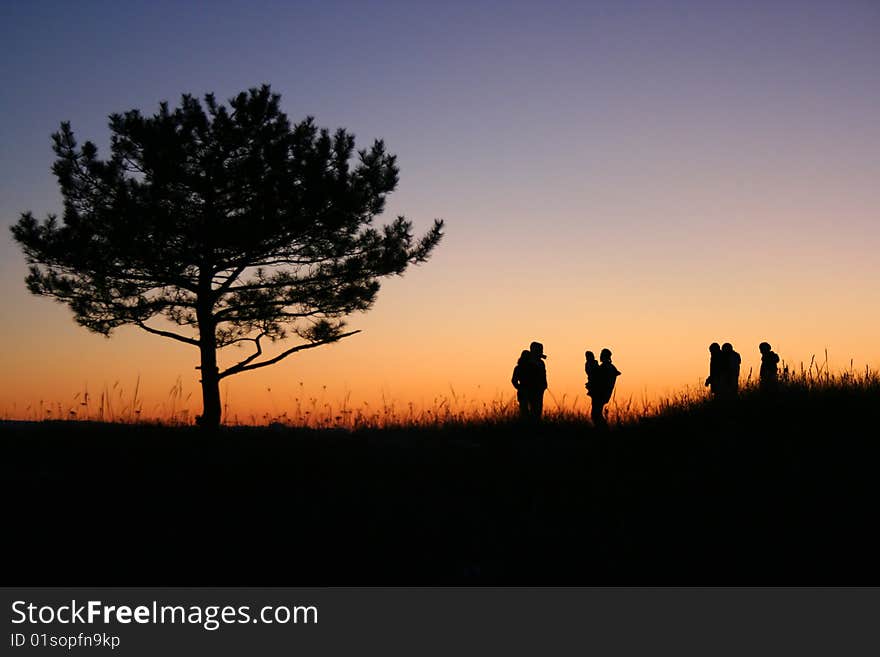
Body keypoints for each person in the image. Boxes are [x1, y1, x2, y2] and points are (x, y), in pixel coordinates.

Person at [591, 348, 621, 427]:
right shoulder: (608, 367)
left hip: (600, 394)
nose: (600, 356)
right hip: (601, 394)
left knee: (596, 414)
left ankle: (604, 431)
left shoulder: (606, 367)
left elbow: (600, 379)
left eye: (602, 355)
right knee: (596, 414)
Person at [524, 341, 548, 420]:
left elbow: (544, 375)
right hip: (529, 390)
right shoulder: (527, 362)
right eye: (539, 350)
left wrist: (544, 385)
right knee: (529, 410)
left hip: (539, 389)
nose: (541, 352)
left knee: (538, 410)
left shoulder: (541, 363)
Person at [511, 349, 535, 418]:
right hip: (527, 392)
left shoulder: (518, 368)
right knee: (528, 412)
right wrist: (520, 388)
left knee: (525, 412)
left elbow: (514, 380)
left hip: (528, 391)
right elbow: (514, 380)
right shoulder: (531, 367)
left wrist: (519, 387)